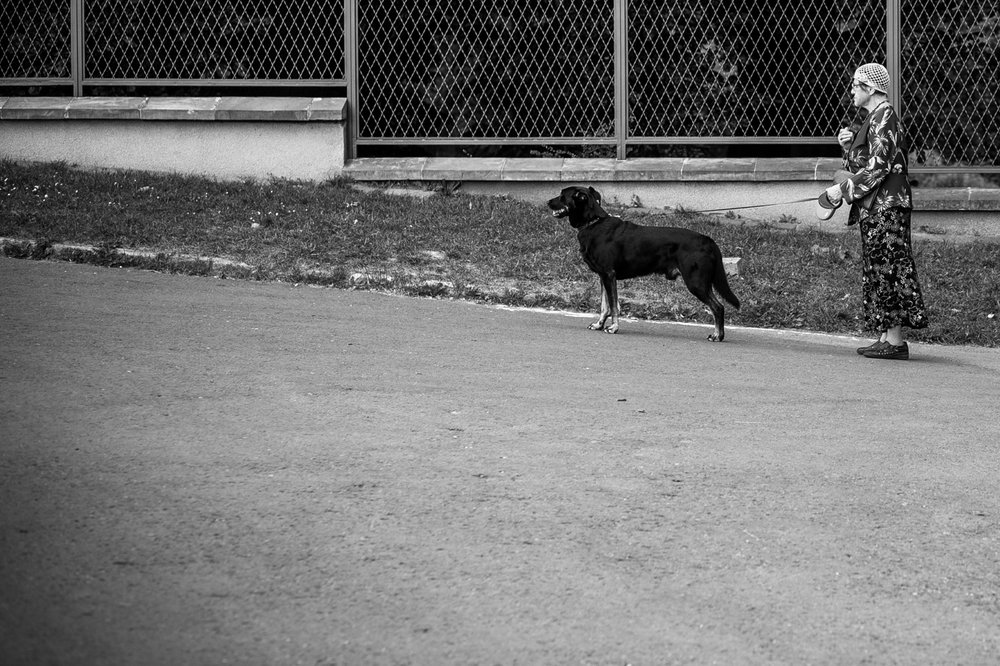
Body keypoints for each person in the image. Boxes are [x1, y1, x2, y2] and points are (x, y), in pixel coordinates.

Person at [824, 63, 928, 360]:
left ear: (870, 88)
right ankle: (886, 336)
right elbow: (864, 165)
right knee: (879, 269)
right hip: (877, 206)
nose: (852, 90)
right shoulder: (875, 118)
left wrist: (840, 191)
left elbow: (878, 167)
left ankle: (895, 342)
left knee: (889, 268)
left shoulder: (885, 115)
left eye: (856, 85)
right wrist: (847, 147)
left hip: (887, 206)